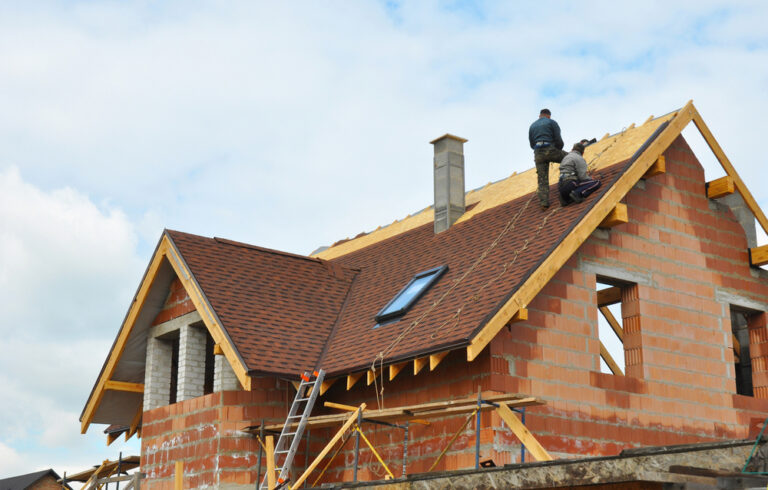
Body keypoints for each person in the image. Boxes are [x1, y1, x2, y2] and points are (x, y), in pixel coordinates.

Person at [529, 109, 567, 209]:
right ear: (549, 116)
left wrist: (539, 151)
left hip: (538, 153)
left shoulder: (532, 126)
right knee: (570, 158)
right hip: (549, 149)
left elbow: (532, 143)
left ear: (539, 115)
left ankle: (544, 203)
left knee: (542, 179)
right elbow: (558, 139)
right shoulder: (552, 122)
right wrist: (557, 150)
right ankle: (572, 180)